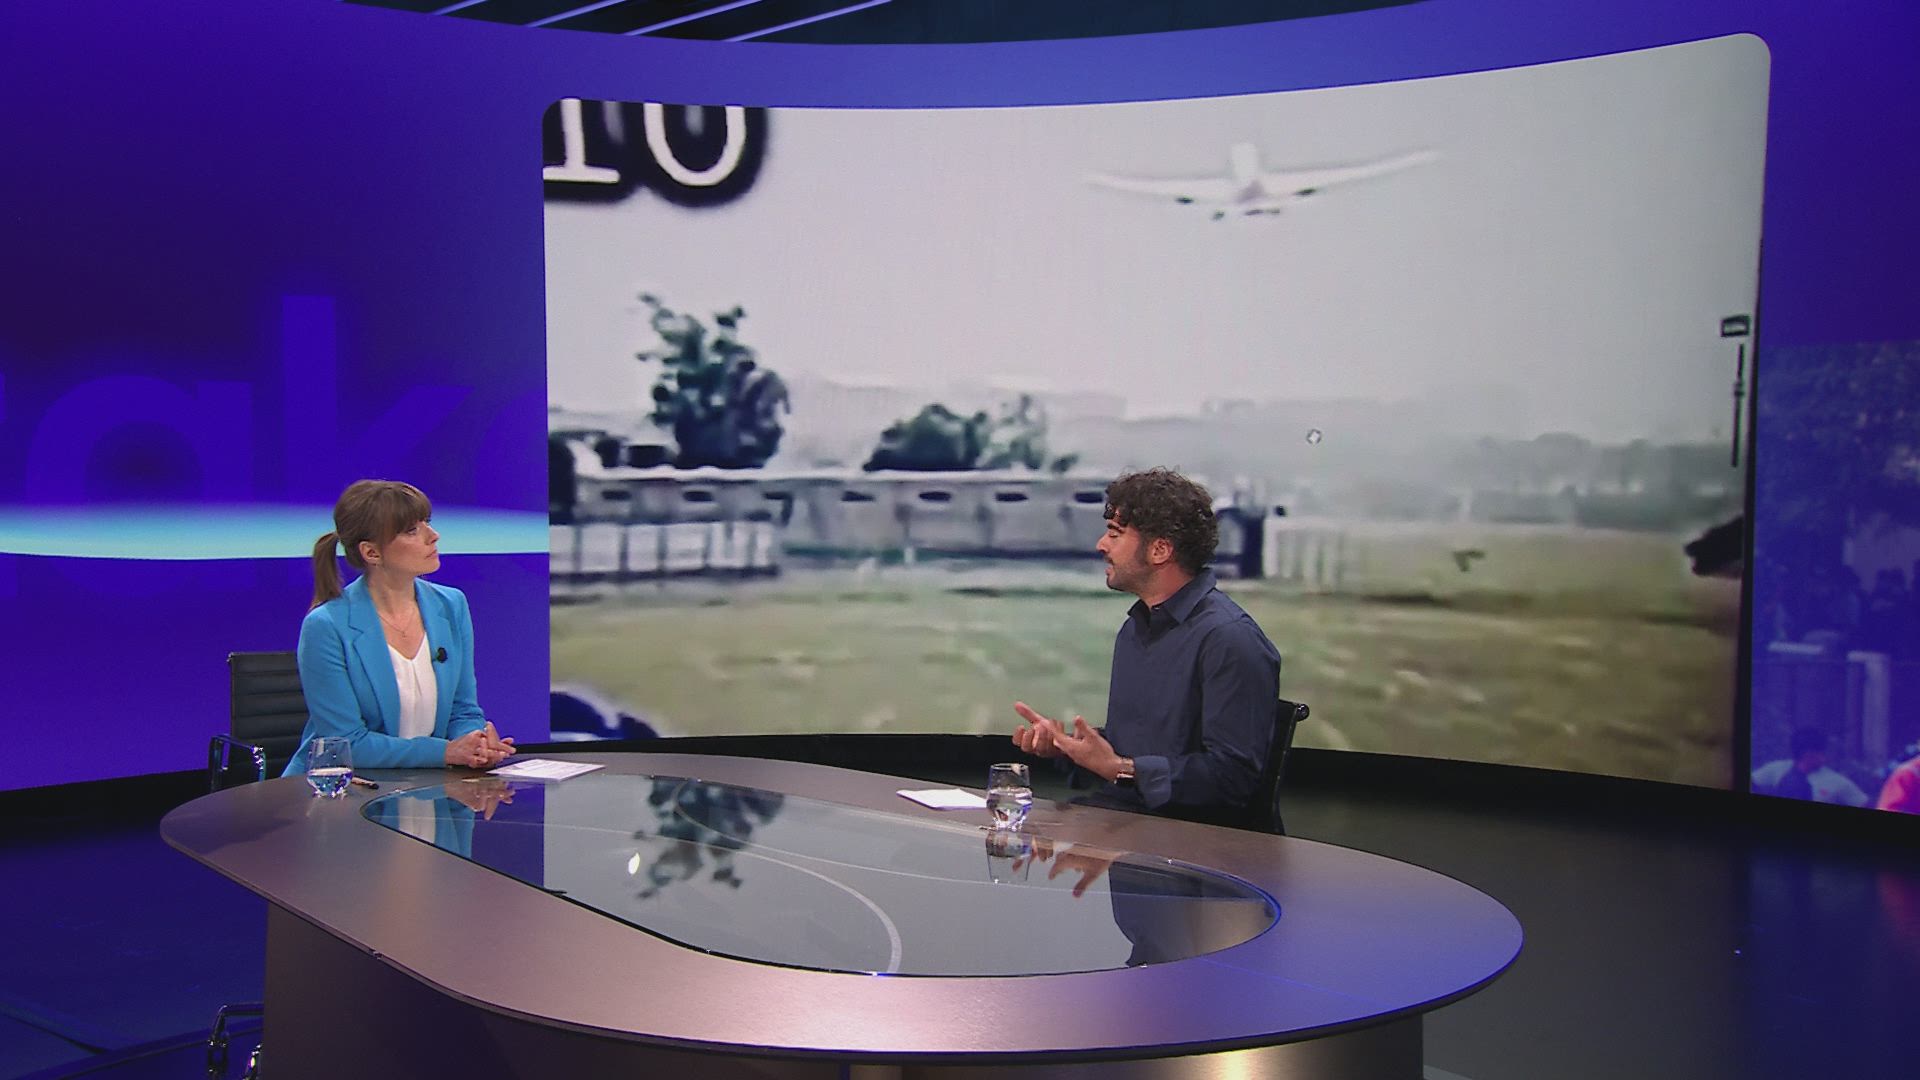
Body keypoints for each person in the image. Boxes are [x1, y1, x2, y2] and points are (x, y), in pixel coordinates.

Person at [1011, 468, 1281, 820]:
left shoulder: (1230, 640)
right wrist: (1069, 748)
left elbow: (1232, 778)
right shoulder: (1136, 629)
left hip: (1189, 840)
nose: (1101, 545)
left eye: (1115, 534)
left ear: (1160, 550)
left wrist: (1121, 769)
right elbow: (1138, 750)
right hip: (1124, 822)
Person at [284, 480, 516, 774]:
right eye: (412, 530)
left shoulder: (451, 605)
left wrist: (475, 744)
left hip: (428, 784)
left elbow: (463, 709)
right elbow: (347, 744)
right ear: (372, 553)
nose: (433, 536)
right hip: (342, 788)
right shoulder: (326, 626)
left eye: (427, 522)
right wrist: (446, 752)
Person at [1749, 728, 1869, 807]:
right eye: (1821, 751)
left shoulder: (1837, 781)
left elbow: (1863, 803)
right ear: (1808, 753)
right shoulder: (1776, 769)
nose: (1825, 755)